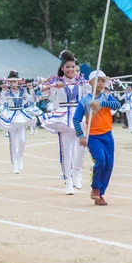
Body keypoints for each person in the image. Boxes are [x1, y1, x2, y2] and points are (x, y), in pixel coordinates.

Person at [41, 51, 89, 194]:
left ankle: (77, 172)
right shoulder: (57, 82)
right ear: (62, 68)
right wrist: (54, 87)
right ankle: (68, 180)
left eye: (73, 67)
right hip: (62, 118)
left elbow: (94, 90)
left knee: (82, 147)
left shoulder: (81, 82)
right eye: (67, 67)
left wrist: (102, 81)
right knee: (66, 151)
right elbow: (45, 94)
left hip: (79, 117)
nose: (70, 70)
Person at [73, 70, 121, 205]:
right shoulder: (85, 101)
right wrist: (81, 135)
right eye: (98, 80)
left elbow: (118, 105)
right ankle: (95, 188)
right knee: (101, 160)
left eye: (103, 81)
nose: (100, 83)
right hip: (93, 137)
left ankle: (100, 193)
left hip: (107, 135)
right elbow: (76, 119)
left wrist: (101, 104)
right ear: (90, 82)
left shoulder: (107, 97)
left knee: (109, 165)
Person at [0, 71, 35, 174]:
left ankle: (19, 158)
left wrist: (31, 89)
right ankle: (14, 164)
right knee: (13, 142)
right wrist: (3, 91)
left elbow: (31, 100)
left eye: (15, 81)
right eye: (11, 81)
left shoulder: (23, 91)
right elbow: (2, 102)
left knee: (22, 140)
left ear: (18, 82)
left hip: (21, 115)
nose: (13, 83)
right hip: (11, 116)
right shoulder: (7, 92)